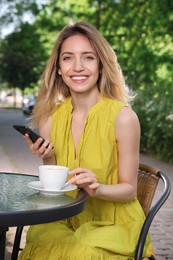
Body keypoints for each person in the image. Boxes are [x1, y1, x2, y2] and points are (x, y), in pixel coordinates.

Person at [19, 21, 153, 259]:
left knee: (80, 252)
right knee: (40, 243)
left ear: (101, 65)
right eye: (68, 58)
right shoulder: (49, 119)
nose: (77, 67)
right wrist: (48, 157)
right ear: (59, 67)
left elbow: (130, 190)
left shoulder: (123, 117)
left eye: (88, 57)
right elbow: (57, 188)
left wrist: (97, 187)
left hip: (113, 223)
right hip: (63, 217)